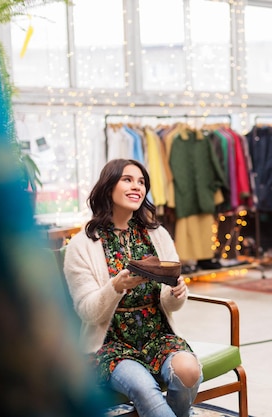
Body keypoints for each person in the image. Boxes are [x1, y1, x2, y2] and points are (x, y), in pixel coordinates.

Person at [63, 158, 203, 417]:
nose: (136, 186)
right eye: (127, 179)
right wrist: (115, 287)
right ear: (108, 187)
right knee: (142, 386)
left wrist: (177, 292)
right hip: (109, 343)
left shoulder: (156, 234)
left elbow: (171, 303)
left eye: (141, 182)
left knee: (189, 371)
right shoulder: (81, 245)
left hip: (157, 335)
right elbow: (87, 311)